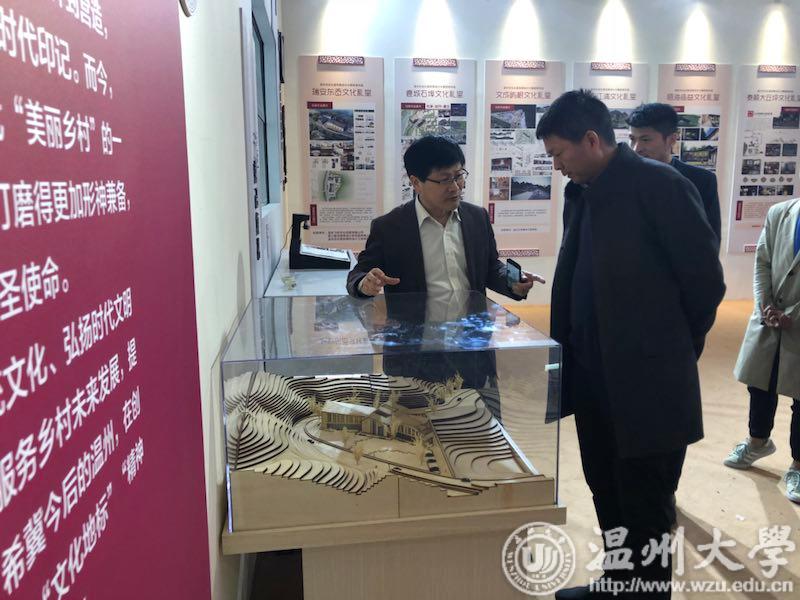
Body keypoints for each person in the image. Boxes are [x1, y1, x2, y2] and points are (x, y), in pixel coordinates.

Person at [536, 90, 725, 598]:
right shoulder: (582, 193)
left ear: (591, 140)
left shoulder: (661, 186)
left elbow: (705, 285)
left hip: (648, 386)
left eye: (559, 153)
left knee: (646, 504)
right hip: (593, 379)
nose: (556, 165)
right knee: (606, 489)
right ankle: (618, 582)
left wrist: (669, 353)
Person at [346, 135, 544, 299]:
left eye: (458, 176)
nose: (455, 187)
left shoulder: (477, 218)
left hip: (471, 329)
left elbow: (491, 267)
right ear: (416, 182)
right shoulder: (389, 227)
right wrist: (365, 284)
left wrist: (513, 282)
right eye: (444, 180)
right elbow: (358, 275)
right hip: (417, 331)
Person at [725, 198, 800, 503]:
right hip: (768, 317)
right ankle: (758, 441)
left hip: (796, 320)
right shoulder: (780, 212)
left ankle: (798, 466)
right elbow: (763, 262)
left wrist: (794, 314)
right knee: (760, 382)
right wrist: (764, 304)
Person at [628, 102, 721, 243]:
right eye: (632, 139)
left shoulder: (701, 180)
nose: (636, 148)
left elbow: (711, 241)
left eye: (645, 139)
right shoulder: (623, 179)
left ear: (671, 139)